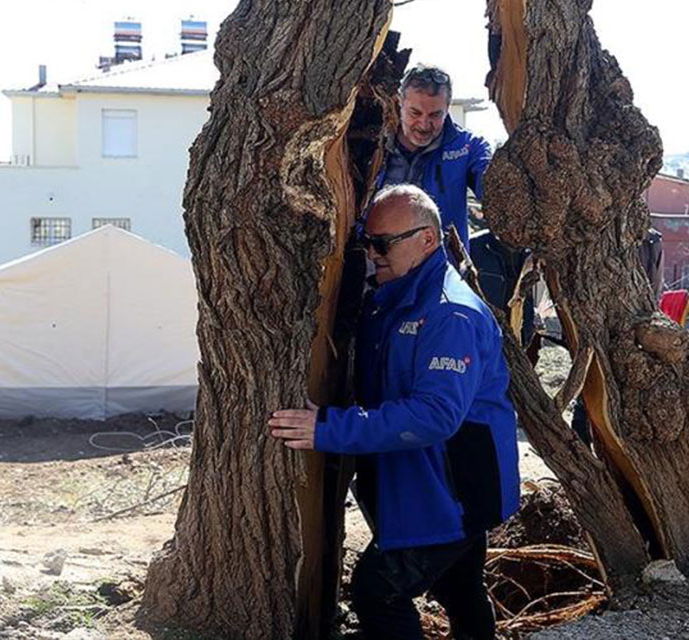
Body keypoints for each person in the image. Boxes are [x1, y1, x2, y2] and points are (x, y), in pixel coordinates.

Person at [268, 185, 520, 640]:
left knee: (377, 591)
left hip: (450, 493)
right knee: (460, 589)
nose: (372, 252)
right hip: (434, 485)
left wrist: (328, 428)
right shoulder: (393, 296)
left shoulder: (449, 315)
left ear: (428, 240)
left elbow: (434, 415)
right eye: (367, 240)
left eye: (383, 243)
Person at [376, 64, 492, 252]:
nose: (424, 124)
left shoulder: (468, 147)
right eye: (415, 113)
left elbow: (493, 186)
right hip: (378, 269)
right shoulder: (372, 142)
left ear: (447, 108)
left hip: (442, 272)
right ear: (399, 102)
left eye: (435, 115)